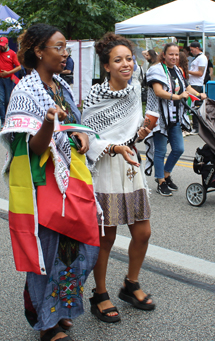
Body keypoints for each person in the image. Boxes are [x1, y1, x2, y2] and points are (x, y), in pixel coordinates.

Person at [0, 23, 99, 341]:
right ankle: (47, 323)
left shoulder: (60, 87)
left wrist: (81, 134)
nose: (66, 54)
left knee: (81, 249)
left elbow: (74, 123)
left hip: (74, 180)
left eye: (67, 48)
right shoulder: (25, 92)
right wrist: (46, 123)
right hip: (43, 184)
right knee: (50, 251)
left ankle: (58, 307)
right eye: (60, 48)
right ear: (40, 51)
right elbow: (34, 148)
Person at [82, 33, 153, 323]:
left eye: (128, 58)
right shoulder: (95, 96)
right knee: (106, 236)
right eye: (118, 60)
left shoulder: (136, 89)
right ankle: (100, 294)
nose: (126, 64)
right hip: (106, 168)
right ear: (106, 66)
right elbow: (86, 135)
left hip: (130, 164)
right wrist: (113, 146)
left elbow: (130, 129)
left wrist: (140, 134)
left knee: (143, 232)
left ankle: (130, 284)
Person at [145, 43, 207, 196]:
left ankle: (166, 174)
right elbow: (158, 92)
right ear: (164, 55)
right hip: (159, 117)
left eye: (176, 54)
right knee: (160, 151)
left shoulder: (178, 70)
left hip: (174, 115)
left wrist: (199, 95)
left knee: (179, 148)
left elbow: (186, 88)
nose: (174, 57)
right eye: (171, 54)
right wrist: (177, 97)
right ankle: (160, 181)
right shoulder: (156, 70)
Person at [188, 41, 208, 133]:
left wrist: (188, 71)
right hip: (193, 83)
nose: (191, 51)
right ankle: (195, 126)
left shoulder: (202, 58)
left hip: (197, 84)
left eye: (192, 50)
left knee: (195, 105)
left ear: (197, 48)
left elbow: (200, 73)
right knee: (193, 105)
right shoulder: (197, 58)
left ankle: (197, 127)